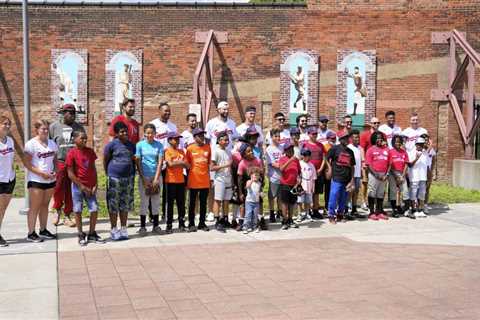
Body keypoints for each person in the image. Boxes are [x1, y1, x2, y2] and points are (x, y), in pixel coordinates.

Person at [66, 131, 104, 246]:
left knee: (94, 209)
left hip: (90, 187)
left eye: (85, 138)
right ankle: (80, 233)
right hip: (78, 187)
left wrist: (96, 184)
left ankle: (92, 234)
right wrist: (81, 186)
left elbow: (93, 168)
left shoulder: (90, 152)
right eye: (82, 138)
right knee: (77, 210)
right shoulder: (71, 153)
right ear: (74, 139)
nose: (84, 140)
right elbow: (70, 173)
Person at [49, 103, 85, 227]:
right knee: (58, 187)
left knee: (71, 189)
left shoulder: (79, 128)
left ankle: (68, 214)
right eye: (69, 112)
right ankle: (57, 209)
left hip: (74, 163)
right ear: (63, 113)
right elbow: (49, 145)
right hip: (60, 161)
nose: (71, 115)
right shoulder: (54, 127)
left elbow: (83, 145)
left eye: (73, 112)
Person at [24, 120, 58, 242]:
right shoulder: (31, 144)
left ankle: (43, 230)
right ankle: (31, 233)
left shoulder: (52, 144)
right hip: (36, 180)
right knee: (35, 207)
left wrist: (55, 171)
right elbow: (27, 163)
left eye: (46, 129)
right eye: (42, 128)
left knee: (45, 205)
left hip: (49, 180)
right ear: (37, 129)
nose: (45, 131)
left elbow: (55, 159)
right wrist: (41, 173)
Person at [103, 122, 136, 241]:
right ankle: (113, 229)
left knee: (125, 204)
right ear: (116, 134)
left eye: (126, 131)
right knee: (113, 204)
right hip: (114, 178)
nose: (125, 133)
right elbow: (105, 160)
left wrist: (132, 174)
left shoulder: (131, 145)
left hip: (128, 178)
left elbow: (133, 160)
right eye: (122, 132)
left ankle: (123, 228)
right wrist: (108, 174)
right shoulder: (111, 145)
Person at [150, 102, 177, 221]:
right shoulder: (153, 124)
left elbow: (177, 144)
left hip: (169, 161)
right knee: (155, 187)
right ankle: (152, 214)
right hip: (156, 161)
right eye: (165, 111)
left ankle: (164, 213)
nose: (168, 113)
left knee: (167, 189)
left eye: (169, 111)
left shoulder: (173, 127)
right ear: (159, 111)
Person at [135, 124, 163, 235]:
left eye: (152, 133)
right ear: (144, 133)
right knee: (144, 202)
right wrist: (143, 179)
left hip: (156, 176)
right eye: (147, 133)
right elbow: (138, 162)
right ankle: (143, 227)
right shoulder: (140, 145)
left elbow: (160, 162)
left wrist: (156, 178)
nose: (149, 135)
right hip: (144, 178)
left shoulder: (159, 145)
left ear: (155, 134)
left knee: (156, 202)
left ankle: (156, 226)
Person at [325, 131, 355, 224]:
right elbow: (326, 158)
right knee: (334, 196)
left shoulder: (350, 151)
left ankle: (340, 215)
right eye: (344, 138)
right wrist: (329, 168)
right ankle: (331, 215)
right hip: (336, 177)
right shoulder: (334, 149)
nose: (346, 139)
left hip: (347, 178)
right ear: (340, 139)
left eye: (347, 138)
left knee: (343, 198)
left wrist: (352, 180)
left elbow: (352, 166)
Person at [186, 128, 212, 232]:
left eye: (203, 135)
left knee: (203, 203)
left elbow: (209, 164)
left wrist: (211, 179)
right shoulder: (190, 148)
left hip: (205, 180)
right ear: (194, 137)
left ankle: (202, 223)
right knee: (192, 203)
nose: (202, 137)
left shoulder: (208, 148)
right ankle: (191, 223)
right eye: (199, 135)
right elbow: (187, 165)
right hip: (193, 180)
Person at [164, 132, 189, 233]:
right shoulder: (167, 151)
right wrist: (181, 163)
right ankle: (169, 225)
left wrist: (179, 163)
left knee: (181, 203)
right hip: (170, 180)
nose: (177, 141)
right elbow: (170, 164)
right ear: (169, 140)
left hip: (181, 180)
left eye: (178, 139)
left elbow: (187, 165)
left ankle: (181, 223)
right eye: (175, 139)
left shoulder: (182, 151)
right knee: (170, 204)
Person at [301, 126, 326, 219]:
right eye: (313, 134)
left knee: (317, 192)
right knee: (307, 191)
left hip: (318, 172)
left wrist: (321, 169)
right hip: (308, 173)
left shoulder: (320, 145)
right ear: (309, 134)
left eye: (316, 133)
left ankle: (315, 210)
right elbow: (302, 158)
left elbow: (324, 158)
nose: (315, 135)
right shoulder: (305, 145)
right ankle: (306, 211)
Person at [237, 143, 264, 231]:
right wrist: (240, 193)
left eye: (251, 150)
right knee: (243, 205)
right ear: (244, 154)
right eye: (248, 151)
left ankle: (260, 221)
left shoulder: (258, 161)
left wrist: (261, 188)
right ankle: (242, 223)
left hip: (257, 186)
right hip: (247, 185)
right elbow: (240, 179)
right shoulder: (242, 163)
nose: (251, 152)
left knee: (259, 203)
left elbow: (262, 175)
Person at [211, 131, 233, 232]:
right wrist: (225, 165)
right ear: (219, 141)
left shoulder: (229, 151)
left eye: (227, 140)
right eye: (224, 140)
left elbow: (231, 166)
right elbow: (212, 167)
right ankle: (217, 220)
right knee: (218, 199)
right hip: (220, 178)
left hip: (228, 178)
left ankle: (225, 218)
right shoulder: (216, 151)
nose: (226, 141)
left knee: (226, 200)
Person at [0, 116, 17, 247]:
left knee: (3, 209)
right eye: (4, 124)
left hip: (10, 179)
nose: (7, 126)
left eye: (8, 124)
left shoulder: (10, 141)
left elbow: (12, 159)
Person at [365, 132, 390, 221]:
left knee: (380, 193)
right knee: (372, 192)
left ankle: (379, 212)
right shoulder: (370, 150)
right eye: (377, 138)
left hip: (384, 175)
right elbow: (368, 164)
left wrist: (386, 175)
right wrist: (376, 175)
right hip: (374, 175)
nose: (379, 139)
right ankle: (371, 212)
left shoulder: (386, 149)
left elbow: (389, 164)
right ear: (374, 139)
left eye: (381, 138)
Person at [359, 117, 382, 211]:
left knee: (377, 183)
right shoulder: (365, 135)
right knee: (365, 182)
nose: (376, 124)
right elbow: (361, 149)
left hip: (378, 162)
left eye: (378, 122)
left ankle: (375, 203)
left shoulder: (382, 135)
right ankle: (364, 202)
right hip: (367, 162)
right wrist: (363, 161)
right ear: (371, 124)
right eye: (374, 123)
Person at [278, 142, 301, 230]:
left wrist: (299, 178)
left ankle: (290, 219)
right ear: (285, 151)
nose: (291, 151)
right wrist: (290, 160)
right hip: (285, 184)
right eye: (289, 150)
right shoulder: (282, 159)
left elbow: (299, 171)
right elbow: (281, 169)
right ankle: (285, 220)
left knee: (292, 203)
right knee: (284, 203)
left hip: (294, 185)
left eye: (292, 149)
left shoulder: (296, 160)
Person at [387, 135, 410, 218]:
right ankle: (394, 210)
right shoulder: (390, 152)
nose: (398, 143)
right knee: (393, 191)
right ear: (393, 142)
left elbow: (406, 164)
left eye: (399, 141)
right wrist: (396, 176)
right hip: (392, 174)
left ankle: (406, 210)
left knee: (405, 191)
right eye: (396, 141)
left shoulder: (404, 152)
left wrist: (402, 176)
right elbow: (389, 165)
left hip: (402, 174)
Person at [408, 137, 429, 218]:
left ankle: (420, 209)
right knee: (413, 194)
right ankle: (414, 209)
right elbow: (409, 165)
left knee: (422, 194)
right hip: (414, 177)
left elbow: (426, 166)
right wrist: (416, 158)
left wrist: (428, 176)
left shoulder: (425, 153)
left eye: (421, 144)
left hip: (423, 177)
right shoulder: (411, 152)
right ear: (415, 144)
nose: (420, 146)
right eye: (418, 144)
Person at [265, 129, 283, 223]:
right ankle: (272, 212)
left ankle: (279, 211)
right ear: (271, 137)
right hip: (274, 176)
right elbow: (272, 163)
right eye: (276, 136)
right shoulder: (269, 149)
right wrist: (283, 166)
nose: (278, 138)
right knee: (272, 195)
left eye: (279, 136)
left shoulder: (282, 147)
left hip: (282, 176)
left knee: (280, 196)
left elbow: (284, 159)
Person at [296, 149, 316, 222]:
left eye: (308, 156)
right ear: (302, 156)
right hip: (301, 185)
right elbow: (297, 174)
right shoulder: (300, 163)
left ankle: (307, 213)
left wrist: (313, 187)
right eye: (304, 156)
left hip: (309, 185)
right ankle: (299, 214)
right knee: (300, 201)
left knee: (308, 201)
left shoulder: (312, 165)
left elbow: (314, 177)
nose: (306, 157)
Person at [347, 130, 363, 219]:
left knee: (356, 193)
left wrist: (361, 173)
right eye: (355, 137)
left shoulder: (359, 148)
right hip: (350, 175)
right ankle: (347, 210)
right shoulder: (349, 148)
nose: (357, 139)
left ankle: (354, 209)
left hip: (357, 174)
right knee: (349, 193)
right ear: (351, 138)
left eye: (358, 137)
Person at [243, 167, 263, 234]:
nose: (256, 176)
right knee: (248, 214)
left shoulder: (259, 183)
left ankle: (254, 226)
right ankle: (246, 227)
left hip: (256, 202)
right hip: (249, 202)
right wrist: (251, 180)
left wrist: (261, 194)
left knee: (255, 215)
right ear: (251, 175)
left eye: (258, 175)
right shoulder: (249, 182)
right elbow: (247, 187)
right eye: (255, 175)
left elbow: (259, 191)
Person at [423, 133, 436, 213]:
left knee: (427, 189)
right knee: (419, 189)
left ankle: (425, 205)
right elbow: (425, 154)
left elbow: (433, 160)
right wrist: (431, 145)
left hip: (428, 171)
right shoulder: (420, 148)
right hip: (421, 171)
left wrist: (432, 171)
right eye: (425, 140)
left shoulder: (431, 150)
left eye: (427, 140)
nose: (426, 142)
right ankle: (417, 205)